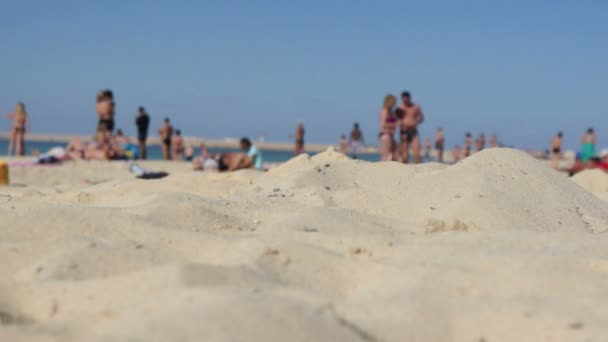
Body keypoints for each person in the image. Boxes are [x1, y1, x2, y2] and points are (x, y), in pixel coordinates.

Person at [398, 91, 425, 164]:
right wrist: (400, 124)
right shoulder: (400, 107)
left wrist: (416, 122)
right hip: (404, 131)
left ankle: (417, 168)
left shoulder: (415, 107)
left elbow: (421, 117)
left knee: (417, 151)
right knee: (404, 153)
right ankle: (405, 170)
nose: (405, 101)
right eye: (404, 100)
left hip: (413, 131)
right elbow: (396, 120)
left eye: (406, 100)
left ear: (409, 98)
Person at [379, 94, 398, 161]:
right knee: (385, 156)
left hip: (391, 135)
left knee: (395, 154)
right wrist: (395, 124)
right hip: (385, 135)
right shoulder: (384, 111)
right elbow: (383, 125)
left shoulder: (391, 112)